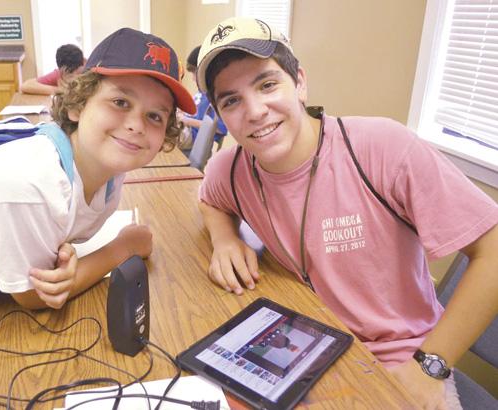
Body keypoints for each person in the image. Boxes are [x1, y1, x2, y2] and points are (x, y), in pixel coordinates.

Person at [195, 17, 498, 410]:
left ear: (300, 82)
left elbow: (492, 249)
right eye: (231, 100)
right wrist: (224, 238)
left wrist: (430, 368)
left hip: (403, 360)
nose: (254, 111)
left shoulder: (383, 148)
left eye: (267, 84)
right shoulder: (231, 169)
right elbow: (209, 199)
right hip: (303, 344)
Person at [0, 27, 196, 387]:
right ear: (77, 105)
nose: (137, 125)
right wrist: (123, 247)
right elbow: (32, 295)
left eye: (156, 116)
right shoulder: (29, 183)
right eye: (120, 102)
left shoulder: (107, 168)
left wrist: (65, 251)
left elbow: (60, 231)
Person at [177, 45, 228, 156]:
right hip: (186, 130)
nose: (193, 78)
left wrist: (186, 120)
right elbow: (192, 114)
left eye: (195, 73)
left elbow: (219, 128)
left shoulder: (215, 98)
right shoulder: (202, 93)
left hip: (193, 139)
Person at [20, 44, 87, 95]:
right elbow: (25, 86)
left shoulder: (92, 71)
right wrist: (59, 90)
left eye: (77, 71)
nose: (74, 76)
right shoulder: (59, 74)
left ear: (84, 61)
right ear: (60, 69)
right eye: (70, 73)